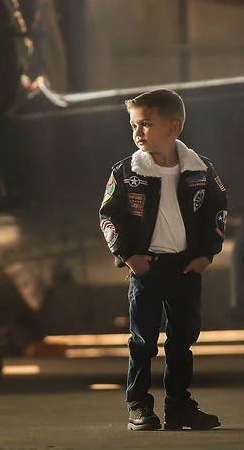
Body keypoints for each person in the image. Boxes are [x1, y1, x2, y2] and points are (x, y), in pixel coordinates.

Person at [98, 88, 228, 431]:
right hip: (146, 269)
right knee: (142, 342)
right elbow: (110, 216)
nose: (137, 133)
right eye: (133, 126)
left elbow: (216, 212)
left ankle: (179, 405)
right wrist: (127, 256)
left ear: (173, 126)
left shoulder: (200, 171)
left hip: (185, 269)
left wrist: (205, 255)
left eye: (145, 124)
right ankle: (138, 404)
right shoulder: (126, 172)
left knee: (182, 341)